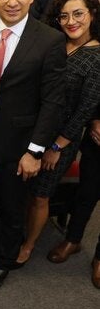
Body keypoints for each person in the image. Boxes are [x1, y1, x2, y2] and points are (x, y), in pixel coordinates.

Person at [0, 0, 66, 295]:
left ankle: (3, 263)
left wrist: (35, 151)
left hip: (19, 142)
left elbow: (54, 101)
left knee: (13, 209)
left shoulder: (50, 40)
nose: (12, 1)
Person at [16, 0, 100, 267]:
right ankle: (17, 233)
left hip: (61, 140)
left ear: (92, 15)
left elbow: (85, 111)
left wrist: (56, 147)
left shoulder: (96, 55)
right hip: (34, 128)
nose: (71, 21)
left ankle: (28, 246)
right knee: (24, 189)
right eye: (64, 16)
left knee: (41, 194)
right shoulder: (55, 44)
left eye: (78, 14)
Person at [49, 105, 100, 289]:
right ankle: (72, 240)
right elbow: (92, 96)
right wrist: (94, 122)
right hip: (96, 146)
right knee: (86, 195)